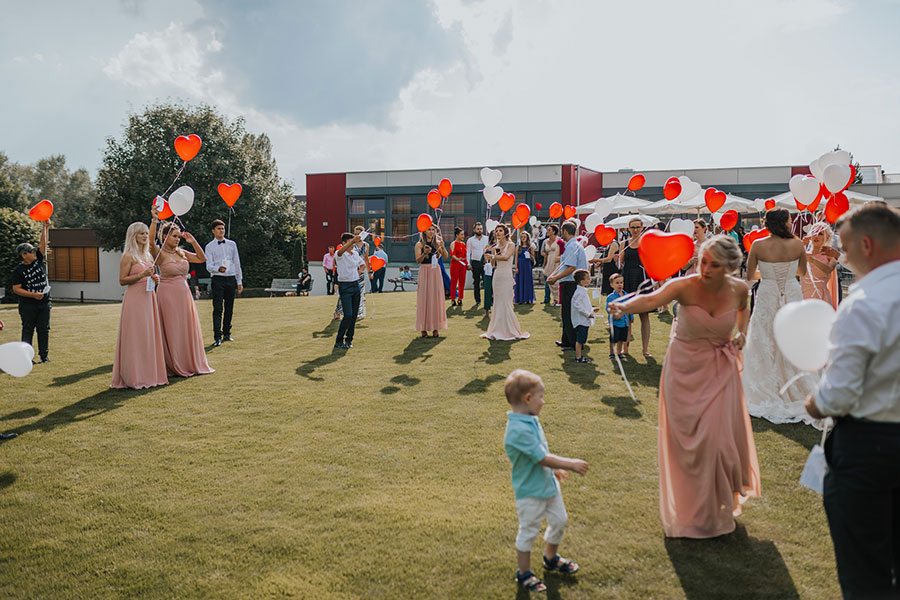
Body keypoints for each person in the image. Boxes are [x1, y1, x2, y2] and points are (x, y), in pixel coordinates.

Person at [610, 235, 760, 538]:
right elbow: (652, 300)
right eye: (703, 260)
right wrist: (623, 309)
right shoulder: (685, 286)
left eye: (714, 265)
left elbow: (744, 311)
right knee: (689, 445)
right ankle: (693, 507)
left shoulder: (740, 290)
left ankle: (718, 500)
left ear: (730, 267)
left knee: (717, 439)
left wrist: (742, 334)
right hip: (683, 370)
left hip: (721, 368)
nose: (705, 268)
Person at [803, 203, 900, 600]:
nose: (842, 257)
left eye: (844, 248)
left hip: (869, 448)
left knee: (866, 574)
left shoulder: (863, 303)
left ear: (866, 244)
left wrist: (813, 402)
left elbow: (838, 395)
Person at [504, 369, 588, 593]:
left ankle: (550, 558)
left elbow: (540, 452)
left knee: (560, 520)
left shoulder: (530, 419)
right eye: (541, 396)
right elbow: (540, 457)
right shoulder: (517, 430)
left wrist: (556, 468)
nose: (544, 401)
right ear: (528, 399)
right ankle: (524, 573)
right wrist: (569, 463)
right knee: (529, 531)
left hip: (548, 485)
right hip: (530, 491)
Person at [742, 208, 818, 427]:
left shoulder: (758, 245)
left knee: (764, 337)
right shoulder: (797, 244)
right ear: (784, 223)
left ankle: (767, 385)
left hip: (767, 292)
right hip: (791, 292)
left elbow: (749, 276)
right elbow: (802, 273)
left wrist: (767, 275)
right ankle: (795, 385)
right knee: (792, 337)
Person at [150, 213, 214, 377]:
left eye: (179, 236)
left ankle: (188, 361)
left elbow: (202, 258)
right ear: (165, 236)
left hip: (184, 295)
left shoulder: (181, 252)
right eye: (175, 236)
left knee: (185, 328)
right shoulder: (160, 253)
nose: (178, 239)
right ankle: (173, 363)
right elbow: (150, 242)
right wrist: (154, 220)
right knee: (172, 328)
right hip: (167, 295)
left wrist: (193, 242)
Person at [111, 222, 167, 389]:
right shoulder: (129, 256)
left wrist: (154, 279)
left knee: (148, 335)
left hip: (148, 298)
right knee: (136, 336)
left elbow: (149, 275)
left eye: (145, 233)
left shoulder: (147, 256)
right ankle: (134, 376)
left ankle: (149, 374)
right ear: (133, 236)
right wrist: (143, 274)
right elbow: (122, 280)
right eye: (141, 233)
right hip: (135, 300)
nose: (144, 236)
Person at [11, 220, 51, 363]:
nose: (34, 252)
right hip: (28, 305)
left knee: (44, 330)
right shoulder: (18, 271)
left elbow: (43, 244)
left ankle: (44, 357)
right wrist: (33, 295)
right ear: (23, 255)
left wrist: (45, 227)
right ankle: (26, 357)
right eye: (31, 251)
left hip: (44, 303)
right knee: (28, 330)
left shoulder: (37, 261)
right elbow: (16, 289)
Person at [482, 224, 529, 340]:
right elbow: (493, 265)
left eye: (500, 231)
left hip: (506, 275)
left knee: (506, 301)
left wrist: (492, 256)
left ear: (505, 233)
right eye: (496, 231)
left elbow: (506, 257)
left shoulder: (511, 245)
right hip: (497, 276)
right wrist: (486, 257)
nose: (497, 233)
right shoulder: (494, 247)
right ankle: (496, 329)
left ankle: (509, 329)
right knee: (498, 302)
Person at [547, 221, 587, 351]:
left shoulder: (571, 246)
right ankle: (566, 340)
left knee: (570, 313)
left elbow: (571, 267)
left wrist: (556, 278)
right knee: (566, 313)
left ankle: (572, 342)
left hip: (570, 283)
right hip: (570, 283)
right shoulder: (575, 245)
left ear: (564, 231)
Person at [204, 219, 243, 347]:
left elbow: (237, 263)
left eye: (223, 228)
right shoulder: (209, 247)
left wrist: (239, 281)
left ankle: (227, 333)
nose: (221, 231)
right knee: (218, 308)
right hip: (218, 279)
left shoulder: (232, 244)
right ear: (213, 231)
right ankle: (217, 336)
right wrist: (217, 269)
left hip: (231, 277)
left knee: (229, 307)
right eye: (219, 229)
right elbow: (208, 265)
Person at [618, 218, 652, 358]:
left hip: (642, 280)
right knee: (628, 316)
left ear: (642, 227)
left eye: (638, 227)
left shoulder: (647, 242)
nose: (635, 229)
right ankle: (625, 349)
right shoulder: (624, 244)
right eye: (633, 227)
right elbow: (620, 264)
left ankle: (645, 349)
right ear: (628, 228)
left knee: (644, 315)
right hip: (628, 280)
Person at [414, 225, 448, 337]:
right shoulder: (419, 244)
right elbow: (418, 261)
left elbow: (446, 256)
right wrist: (424, 253)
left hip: (435, 271)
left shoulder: (437, 243)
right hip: (425, 271)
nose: (431, 232)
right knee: (424, 299)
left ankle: (435, 327)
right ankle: (423, 328)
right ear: (424, 231)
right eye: (429, 229)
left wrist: (443, 247)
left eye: (433, 230)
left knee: (435, 298)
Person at [334, 232, 366, 349]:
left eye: (353, 242)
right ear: (344, 243)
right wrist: (353, 241)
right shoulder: (339, 254)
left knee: (354, 316)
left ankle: (349, 340)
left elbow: (362, 265)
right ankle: (339, 340)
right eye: (350, 242)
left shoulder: (355, 254)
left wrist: (358, 273)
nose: (353, 245)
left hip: (355, 285)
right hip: (345, 286)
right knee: (347, 314)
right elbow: (341, 251)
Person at [801, 222, 839, 307]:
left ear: (827, 237)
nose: (816, 236)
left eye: (820, 234)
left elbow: (828, 270)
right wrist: (801, 245)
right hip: (804, 296)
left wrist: (812, 260)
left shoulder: (829, 255)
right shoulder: (802, 254)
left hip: (821, 297)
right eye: (814, 233)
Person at [335, 225, 369, 321]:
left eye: (359, 234)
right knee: (345, 295)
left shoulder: (365, 245)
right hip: (347, 274)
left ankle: (358, 313)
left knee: (359, 294)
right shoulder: (349, 246)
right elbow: (340, 254)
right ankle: (338, 311)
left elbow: (366, 259)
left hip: (358, 273)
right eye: (355, 234)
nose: (357, 235)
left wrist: (367, 271)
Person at [571, 269, 600, 363]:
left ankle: (579, 356)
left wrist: (592, 309)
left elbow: (584, 305)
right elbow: (578, 305)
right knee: (580, 340)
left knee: (582, 339)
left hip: (584, 319)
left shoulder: (582, 291)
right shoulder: (580, 292)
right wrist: (588, 314)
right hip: (581, 320)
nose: (590, 279)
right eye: (588, 278)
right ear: (582, 281)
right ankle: (578, 357)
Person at [606, 273, 632, 358]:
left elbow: (629, 307)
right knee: (614, 339)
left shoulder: (626, 295)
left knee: (622, 338)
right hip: (615, 322)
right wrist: (615, 315)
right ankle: (612, 353)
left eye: (621, 282)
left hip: (625, 322)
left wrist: (631, 316)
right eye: (617, 283)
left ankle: (619, 352)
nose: (620, 284)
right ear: (612, 285)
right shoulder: (611, 297)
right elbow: (608, 309)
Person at [466, 222, 488, 308]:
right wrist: (468, 263)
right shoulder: (470, 240)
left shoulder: (486, 239)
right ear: (474, 230)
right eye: (478, 229)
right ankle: (478, 301)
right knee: (476, 283)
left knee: (487, 282)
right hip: (475, 263)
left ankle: (489, 300)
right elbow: (468, 253)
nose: (480, 230)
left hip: (485, 263)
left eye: (481, 229)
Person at [541, 224, 562, 304]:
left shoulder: (559, 240)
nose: (547, 231)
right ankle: (547, 299)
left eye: (549, 230)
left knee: (556, 281)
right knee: (547, 279)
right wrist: (544, 258)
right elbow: (542, 251)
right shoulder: (545, 241)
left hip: (556, 261)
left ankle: (557, 299)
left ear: (554, 231)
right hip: (549, 260)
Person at [514, 230, 536, 304]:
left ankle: (528, 298)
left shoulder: (530, 247)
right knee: (520, 281)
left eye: (524, 237)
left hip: (527, 265)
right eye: (522, 237)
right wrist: (516, 267)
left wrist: (529, 255)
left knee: (527, 281)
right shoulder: (518, 247)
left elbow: (533, 258)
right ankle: (519, 298)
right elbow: (516, 258)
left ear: (527, 238)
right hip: (520, 265)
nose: (523, 238)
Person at [449, 226, 467, 306]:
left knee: (462, 282)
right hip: (455, 265)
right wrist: (458, 259)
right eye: (461, 234)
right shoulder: (453, 243)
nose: (463, 236)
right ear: (457, 235)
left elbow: (465, 255)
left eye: (463, 235)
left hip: (463, 265)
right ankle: (453, 299)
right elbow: (452, 255)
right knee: (454, 282)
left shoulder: (463, 244)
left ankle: (460, 299)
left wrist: (467, 264)